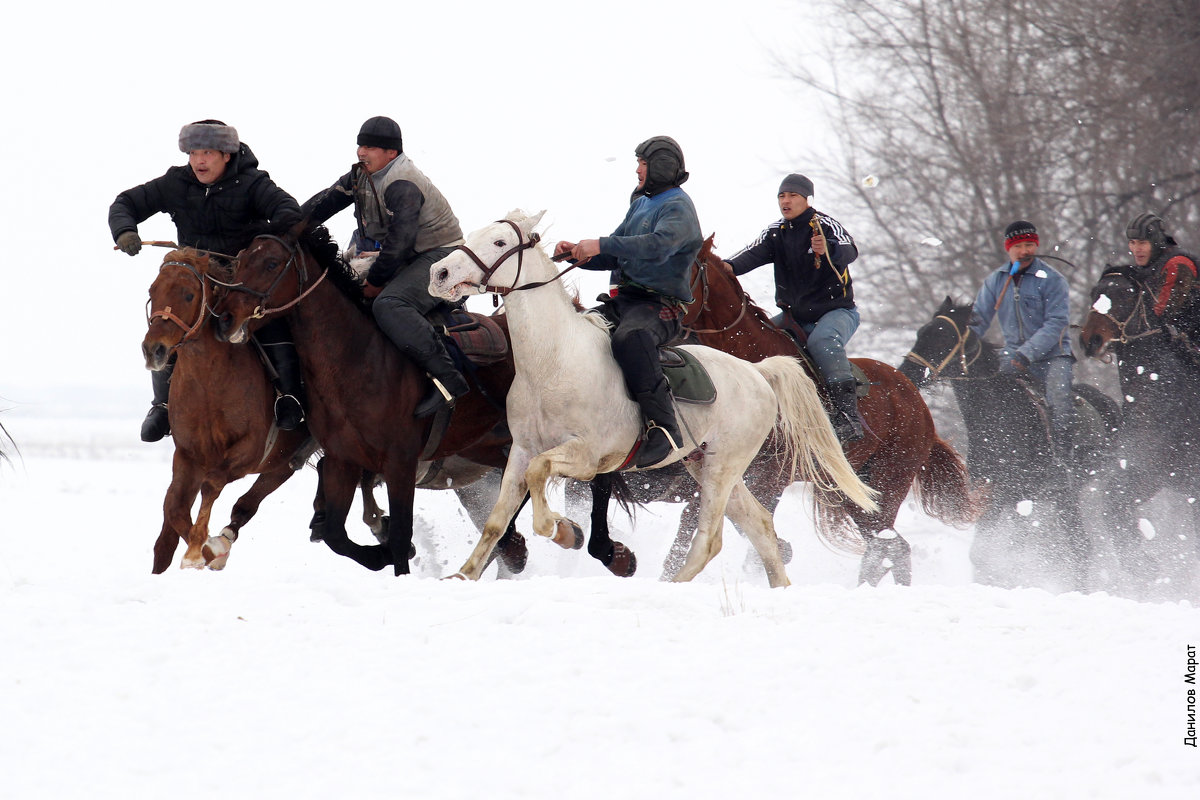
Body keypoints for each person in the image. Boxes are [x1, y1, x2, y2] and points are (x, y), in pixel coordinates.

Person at [109, 119, 305, 442]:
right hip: (194, 278)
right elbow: (125, 203)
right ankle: (161, 405)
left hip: (236, 279)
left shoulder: (253, 183)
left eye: (208, 153)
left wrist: (262, 247)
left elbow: (288, 210)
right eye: (194, 152)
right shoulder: (175, 182)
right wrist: (125, 230)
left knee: (267, 318)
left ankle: (289, 396)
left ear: (227, 155)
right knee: (167, 317)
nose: (199, 161)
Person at [302, 116, 468, 418]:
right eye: (359, 145)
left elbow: (400, 241)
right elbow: (321, 205)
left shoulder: (402, 182)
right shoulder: (361, 175)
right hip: (408, 256)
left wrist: (377, 282)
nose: (361, 152)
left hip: (442, 257)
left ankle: (448, 381)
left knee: (389, 304)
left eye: (370, 147)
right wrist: (284, 230)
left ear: (391, 153)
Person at [554, 135, 703, 468]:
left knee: (630, 338)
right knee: (574, 334)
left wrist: (602, 243)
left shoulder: (678, 206)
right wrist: (576, 255)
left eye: (643, 163)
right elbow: (615, 253)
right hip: (624, 300)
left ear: (661, 167)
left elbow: (657, 246)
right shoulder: (641, 202)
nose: (637, 170)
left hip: (659, 306)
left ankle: (664, 430)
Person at [722, 173, 864, 441]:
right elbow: (750, 254)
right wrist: (724, 266)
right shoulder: (776, 232)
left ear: (807, 199)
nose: (785, 201)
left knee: (822, 342)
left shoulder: (825, 225)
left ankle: (847, 417)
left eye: (792, 195)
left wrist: (829, 249)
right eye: (781, 196)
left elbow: (850, 250)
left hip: (837, 313)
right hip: (793, 318)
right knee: (752, 339)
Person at [970, 220, 1074, 465]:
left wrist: (1027, 353)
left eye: (1030, 245)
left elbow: (1056, 323)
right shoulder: (995, 281)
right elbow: (978, 320)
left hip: (1053, 356)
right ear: (1009, 248)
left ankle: (1064, 459)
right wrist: (962, 344)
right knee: (986, 394)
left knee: (1059, 399)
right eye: (1019, 245)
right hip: (1012, 356)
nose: (1025, 251)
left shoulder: (1052, 279)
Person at [1125, 212, 1200, 341]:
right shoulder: (1151, 266)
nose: (1136, 249)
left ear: (1155, 243)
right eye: (1132, 242)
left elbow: (1162, 312)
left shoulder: (1176, 264)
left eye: (1142, 243)